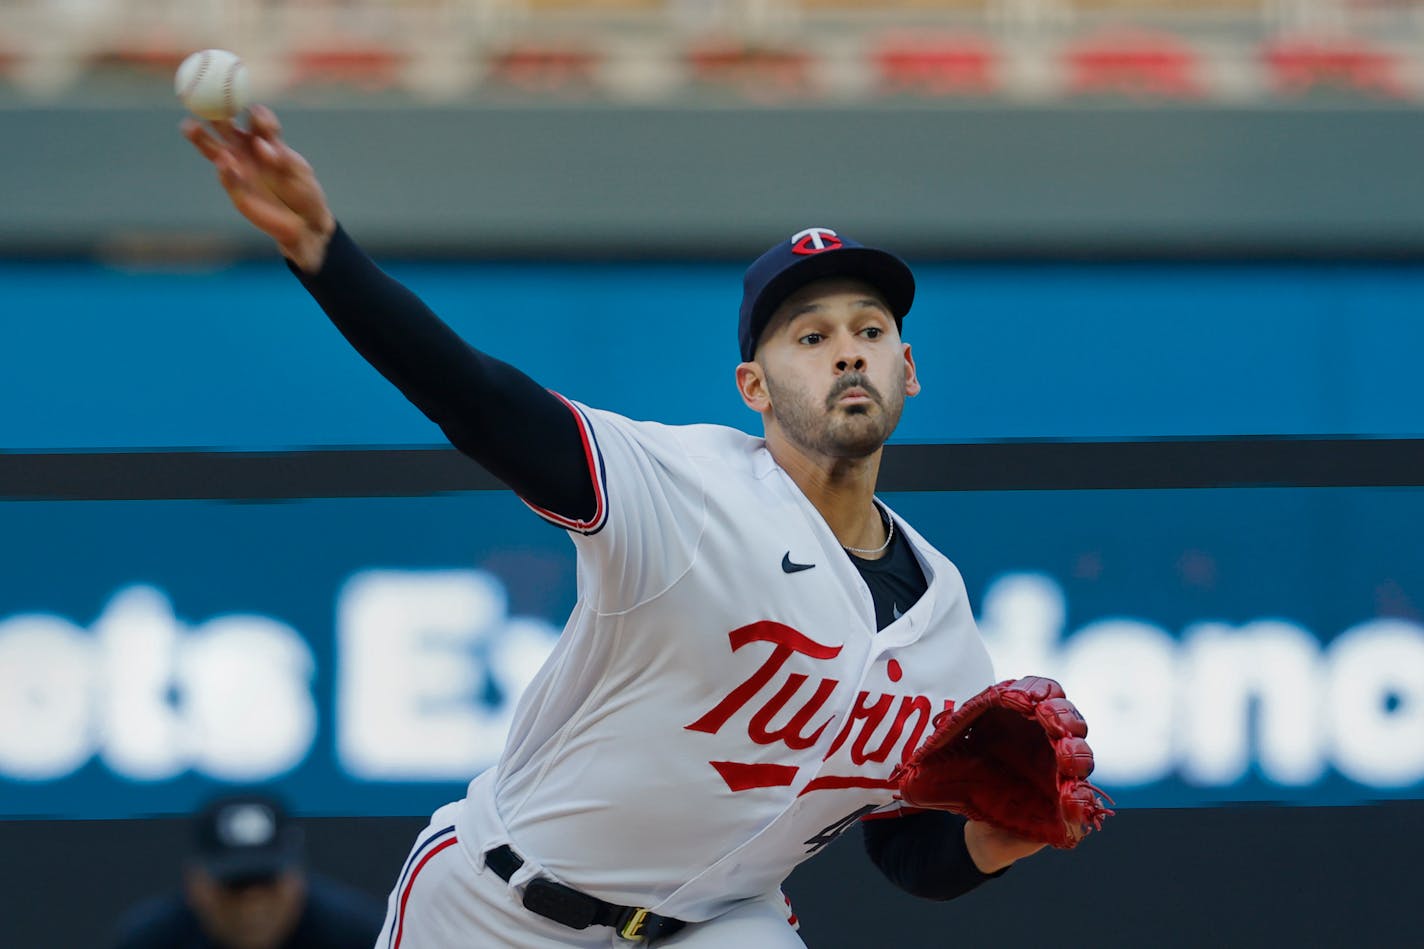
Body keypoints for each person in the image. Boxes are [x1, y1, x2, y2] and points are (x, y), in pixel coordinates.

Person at [181, 106, 1057, 948]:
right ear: (753, 387)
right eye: (811, 335)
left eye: (871, 330)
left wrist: (996, 840)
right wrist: (325, 255)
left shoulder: (944, 627)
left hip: (718, 922)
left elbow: (903, 847)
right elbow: (480, 403)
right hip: (501, 905)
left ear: (908, 369)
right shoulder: (685, 491)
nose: (848, 350)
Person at [110, 792, 387, 949]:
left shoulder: (357, 939)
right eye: (234, 885)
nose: (252, 905)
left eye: (268, 883)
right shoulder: (152, 942)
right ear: (197, 885)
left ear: (296, 880)